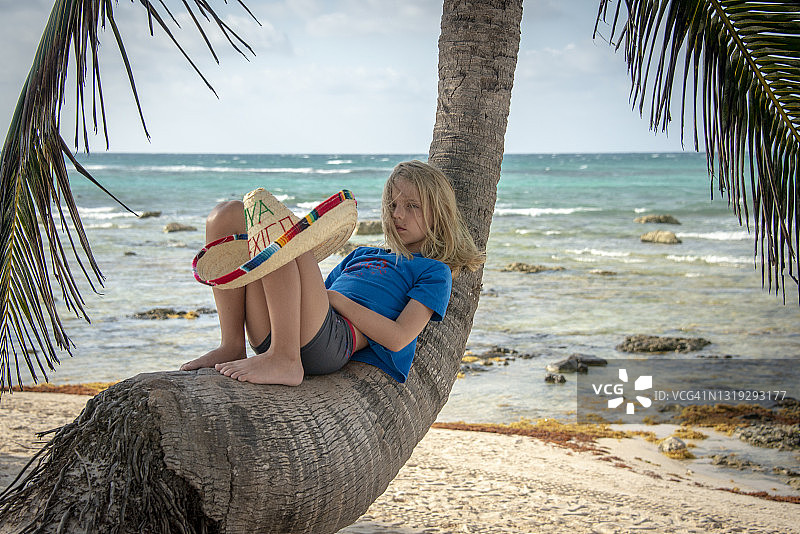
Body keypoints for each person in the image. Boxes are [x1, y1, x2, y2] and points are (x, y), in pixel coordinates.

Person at [181, 160, 484, 385]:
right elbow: (304, 293)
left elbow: (398, 338)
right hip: (284, 329)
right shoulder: (362, 254)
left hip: (332, 342)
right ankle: (232, 344)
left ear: (438, 211)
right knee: (228, 213)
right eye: (392, 204)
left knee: (284, 236)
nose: (398, 214)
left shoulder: (434, 271)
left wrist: (337, 300)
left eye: (412, 206)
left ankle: (286, 359)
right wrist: (328, 297)